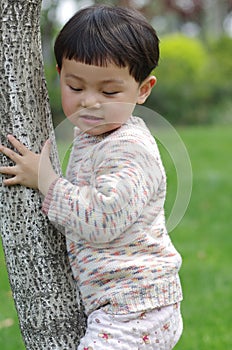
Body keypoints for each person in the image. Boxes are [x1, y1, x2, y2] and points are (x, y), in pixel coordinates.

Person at [0, 5, 183, 349]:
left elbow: (104, 217)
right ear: (59, 76)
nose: (90, 103)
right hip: (116, 302)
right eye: (75, 86)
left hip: (137, 307)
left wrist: (47, 181)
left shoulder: (129, 148)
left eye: (109, 92)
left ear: (143, 90)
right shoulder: (93, 135)